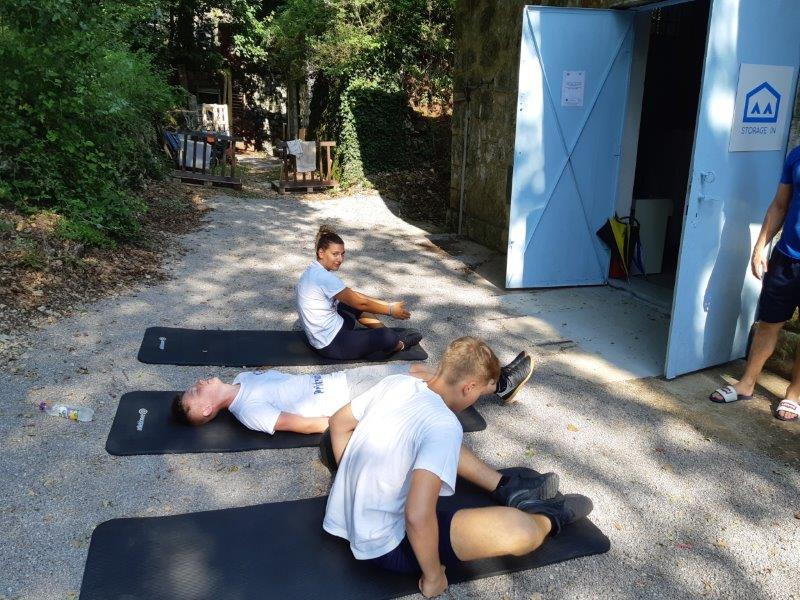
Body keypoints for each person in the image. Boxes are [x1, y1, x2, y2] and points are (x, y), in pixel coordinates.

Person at [322, 337, 593, 598]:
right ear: (469, 387)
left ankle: (508, 490)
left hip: (341, 518)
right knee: (522, 532)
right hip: (385, 545)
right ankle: (549, 516)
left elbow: (338, 423)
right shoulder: (444, 425)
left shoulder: (397, 383)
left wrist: (350, 484)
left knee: (436, 440)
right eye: (480, 394)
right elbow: (417, 515)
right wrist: (433, 577)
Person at [171, 350, 535, 433]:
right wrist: (359, 420)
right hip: (348, 397)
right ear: (206, 411)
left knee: (419, 372)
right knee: (425, 386)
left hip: (342, 378)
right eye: (194, 394)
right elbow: (304, 425)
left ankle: (495, 382)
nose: (197, 384)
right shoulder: (249, 411)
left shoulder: (242, 378)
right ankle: (500, 384)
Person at [709, 145, 800, 423]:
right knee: (768, 324)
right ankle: (746, 383)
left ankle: (794, 394)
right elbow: (780, 204)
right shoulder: (796, 155)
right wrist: (760, 246)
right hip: (786, 258)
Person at [296, 225, 422, 361]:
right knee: (387, 337)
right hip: (331, 344)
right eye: (335, 254)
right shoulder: (324, 277)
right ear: (321, 253)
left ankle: (383, 333)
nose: (340, 259)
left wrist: (388, 304)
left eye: (342, 254)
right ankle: (398, 345)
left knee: (349, 302)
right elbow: (361, 303)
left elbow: (354, 296)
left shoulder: (313, 270)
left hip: (331, 330)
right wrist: (390, 311)